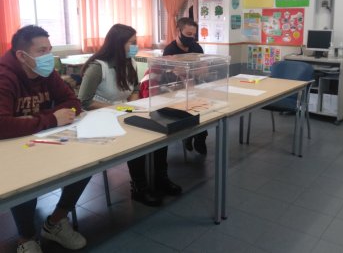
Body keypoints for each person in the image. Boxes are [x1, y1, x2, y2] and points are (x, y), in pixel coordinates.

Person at [0, 25, 89, 253]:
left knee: (85, 164)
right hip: (9, 148)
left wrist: (39, 119)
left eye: (50, 49)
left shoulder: (47, 73)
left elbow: (73, 103)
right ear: (22, 55)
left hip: (38, 137)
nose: (49, 57)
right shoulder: (4, 76)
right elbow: (2, 125)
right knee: (24, 178)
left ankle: (55, 222)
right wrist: (51, 118)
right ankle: (26, 238)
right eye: (42, 51)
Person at [78, 24, 181, 207]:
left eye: (136, 42)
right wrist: (116, 109)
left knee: (158, 130)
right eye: (132, 42)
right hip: (99, 115)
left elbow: (133, 88)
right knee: (136, 139)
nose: (136, 46)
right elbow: (84, 102)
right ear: (118, 44)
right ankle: (139, 187)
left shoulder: (130, 61)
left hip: (123, 111)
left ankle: (160, 178)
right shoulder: (97, 66)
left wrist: (132, 104)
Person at [162, 17, 208, 155]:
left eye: (193, 35)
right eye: (188, 34)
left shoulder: (196, 47)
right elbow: (173, 74)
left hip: (196, 88)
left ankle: (200, 138)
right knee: (187, 114)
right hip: (176, 92)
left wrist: (187, 71)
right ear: (178, 31)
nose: (191, 38)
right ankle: (188, 136)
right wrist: (191, 71)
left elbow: (204, 69)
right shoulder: (170, 50)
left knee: (203, 113)